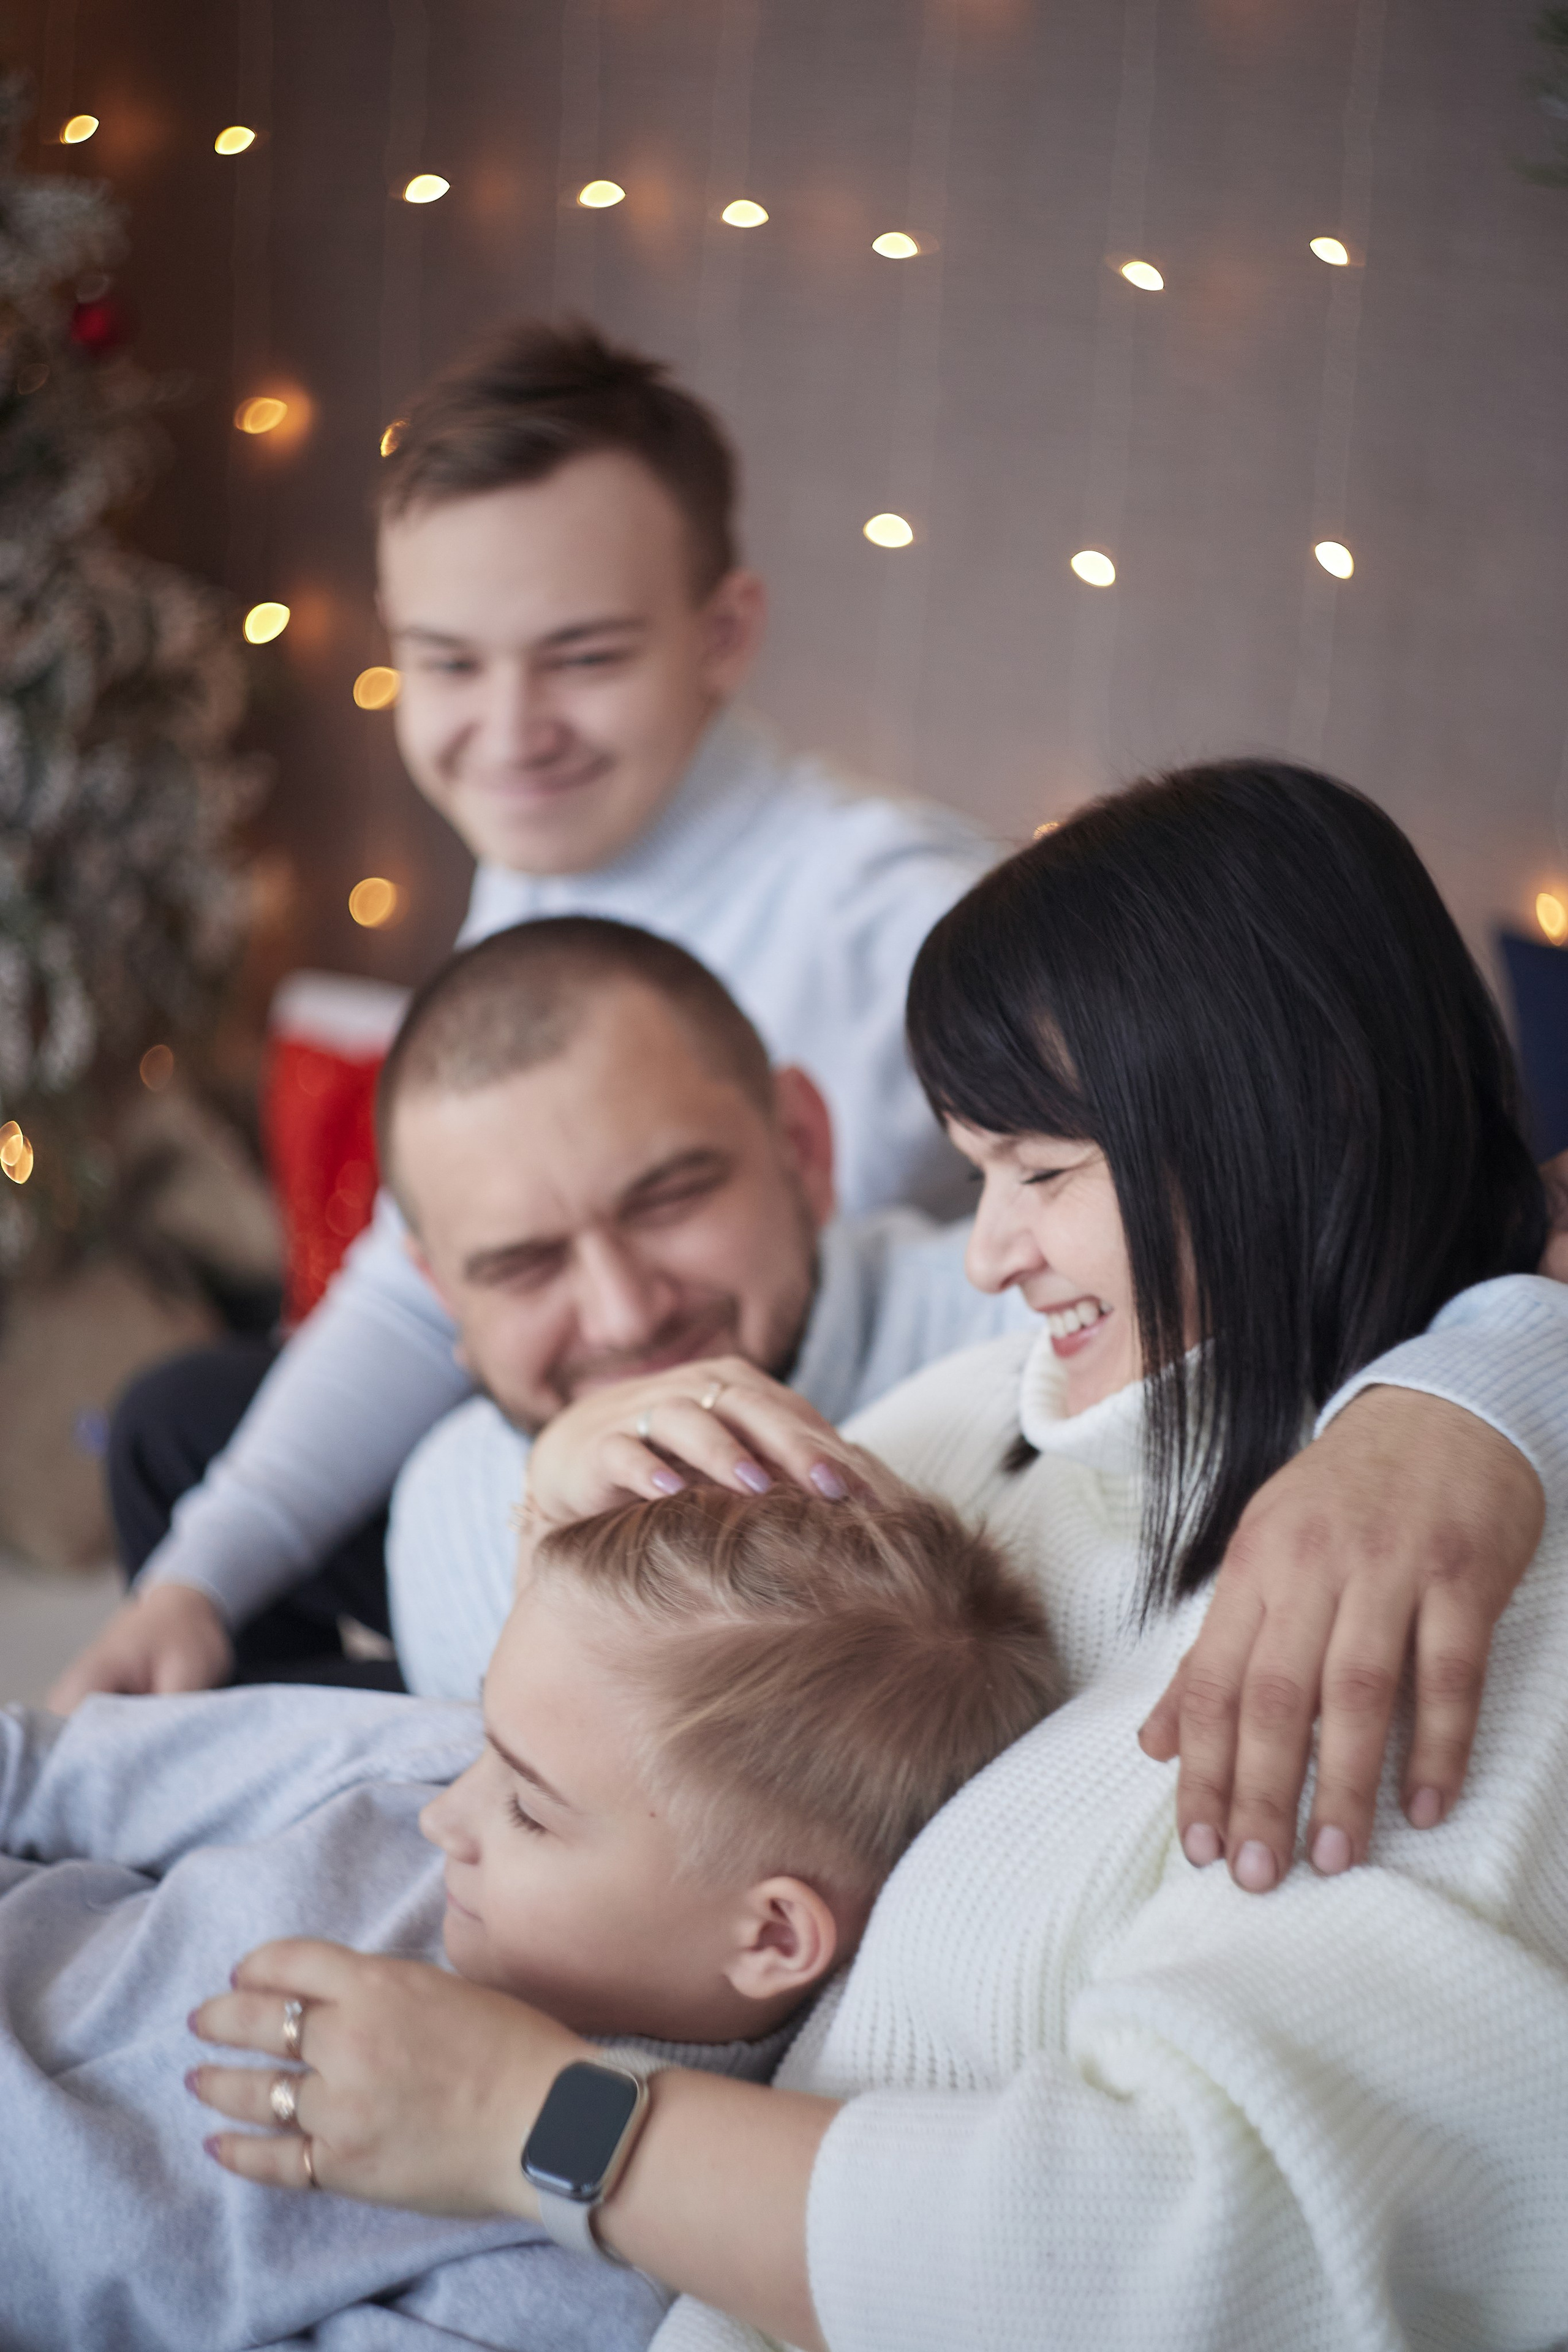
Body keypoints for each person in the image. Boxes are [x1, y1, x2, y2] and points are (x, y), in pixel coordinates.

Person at [198, 761, 1568, 2352]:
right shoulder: (1027, 1402)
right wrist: (563, 1486)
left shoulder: (1410, 1611)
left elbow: (1179, 2257)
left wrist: (531, 2121)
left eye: (1041, 1175)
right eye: (979, 1175)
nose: (993, 1252)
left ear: (1293, 1112)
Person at [50, 316, 997, 1703]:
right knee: (182, 1438)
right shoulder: (545, 843)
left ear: (720, 633)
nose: (505, 730)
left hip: (803, 1539)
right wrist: (196, 1585)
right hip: (594, 1420)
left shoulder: (905, 909)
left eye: (583, 657)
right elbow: (410, 1275)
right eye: (447, 661)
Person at [2, 1481, 1055, 2352]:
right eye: (482, 1750)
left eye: (529, 1813)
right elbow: (50, 1771)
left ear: (771, 1938)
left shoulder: (590, 2265)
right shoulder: (454, 1761)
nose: (443, 1815)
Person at [375, 916, 1038, 1697]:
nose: (625, 1316)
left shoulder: (1042, 1327)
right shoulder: (453, 1507)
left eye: (671, 1200)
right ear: (444, 1293)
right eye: (525, 1266)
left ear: (802, 1147)